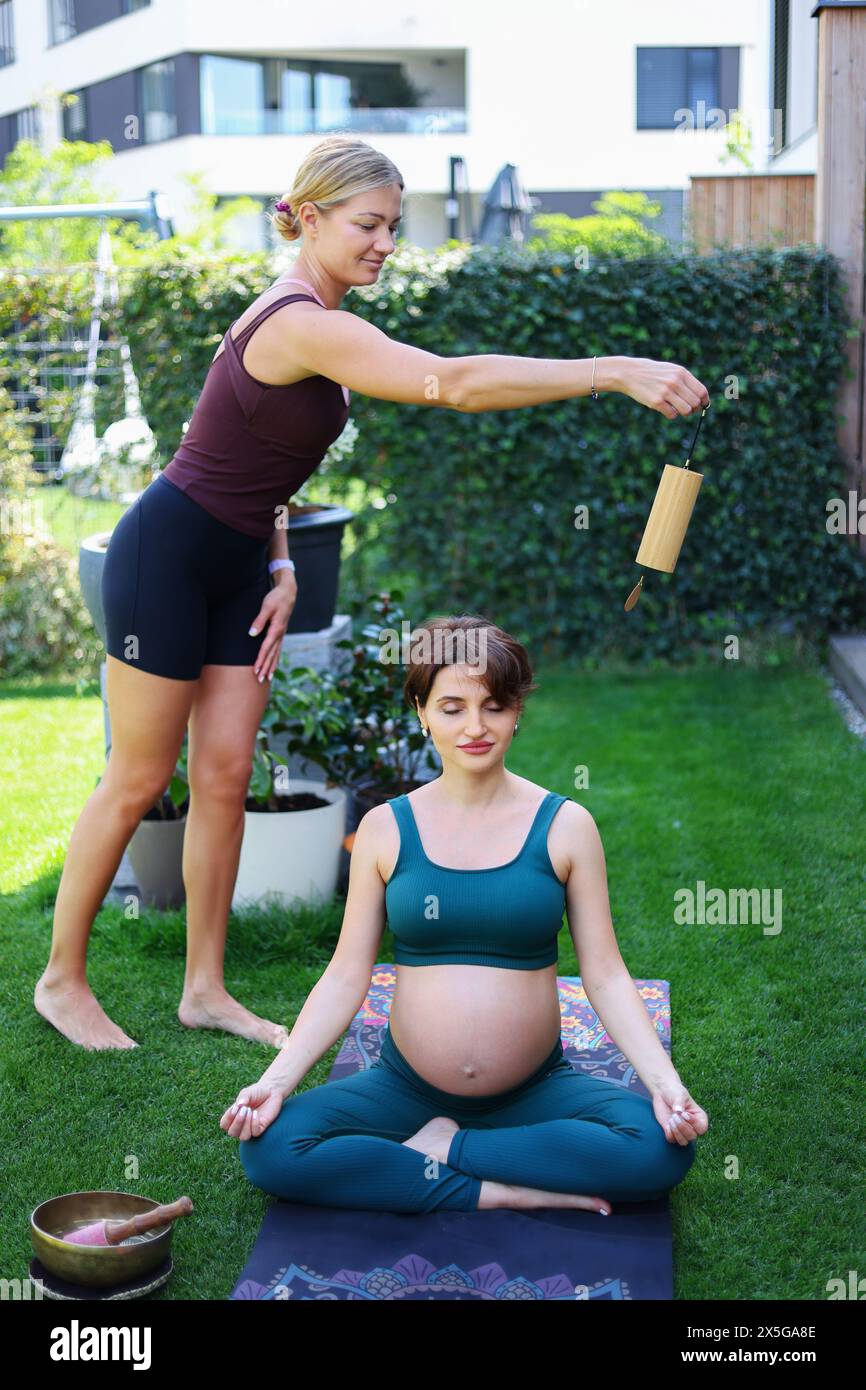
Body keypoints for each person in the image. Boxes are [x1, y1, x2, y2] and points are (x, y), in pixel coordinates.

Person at [35, 132, 709, 1052]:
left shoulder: (326, 313)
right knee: (142, 776)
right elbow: (457, 385)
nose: (386, 242)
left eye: (395, 225)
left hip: (239, 567)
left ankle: (204, 989)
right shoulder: (299, 320)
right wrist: (611, 371)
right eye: (368, 224)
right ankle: (62, 980)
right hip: (165, 557)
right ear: (308, 218)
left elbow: (255, 451)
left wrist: (277, 561)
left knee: (227, 776)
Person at [223, 616, 709, 1214]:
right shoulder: (384, 828)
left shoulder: (566, 826)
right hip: (405, 1089)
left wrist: (666, 1085)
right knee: (270, 1147)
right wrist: (275, 1081)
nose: (476, 728)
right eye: (452, 708)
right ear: (421, 711)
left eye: (495, 706)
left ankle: (449, 1152)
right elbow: (347, 976)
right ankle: (497, 1187)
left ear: (517, 713)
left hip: (537, 1089)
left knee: (660, 1151)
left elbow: (605, 974)